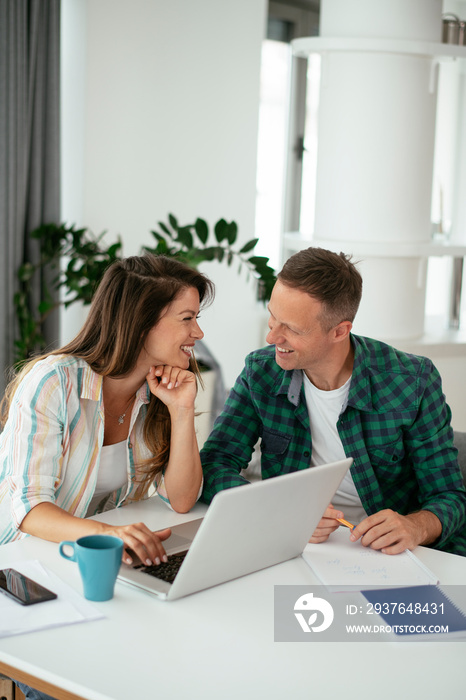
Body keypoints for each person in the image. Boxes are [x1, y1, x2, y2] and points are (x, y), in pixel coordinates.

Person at [201, 246, 466, 556]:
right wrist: (279, 511)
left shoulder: (412, 381)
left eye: (293, 329)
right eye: (273, 317)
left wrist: (415, 526)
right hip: (296, 545)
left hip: (387, 554)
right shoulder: (260, 372)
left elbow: (449, 496)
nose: (272, 338)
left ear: (340, 331)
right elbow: (214, 464)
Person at [0, 253, 214, 562]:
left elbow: (181, 501)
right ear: (142, 322)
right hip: (23, 559)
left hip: (94, 556)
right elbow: (30, 509)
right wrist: (109, 534)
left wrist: (181, 410)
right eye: (187, 318)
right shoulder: (53, 382)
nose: (198, 333)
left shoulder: (159, 391)